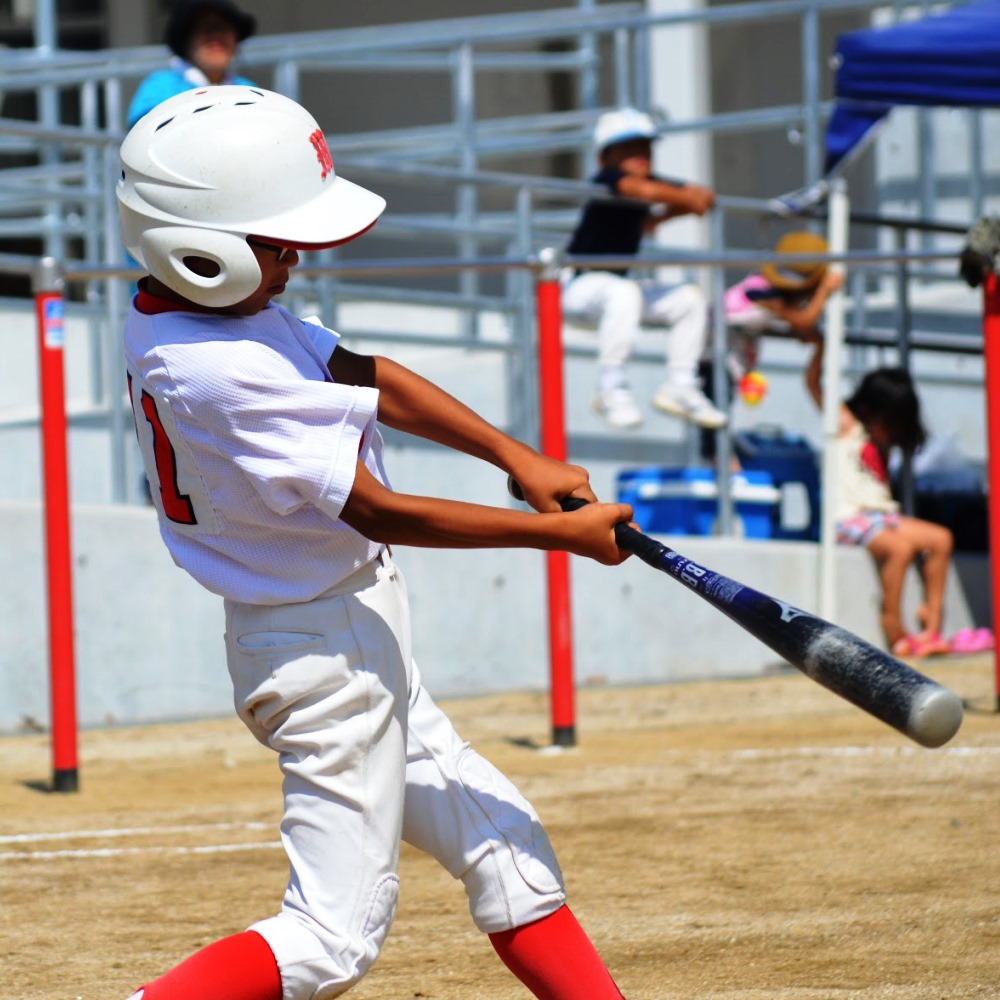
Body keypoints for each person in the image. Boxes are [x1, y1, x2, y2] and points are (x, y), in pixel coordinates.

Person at [117, 85, 632, 1000]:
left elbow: (368, 377)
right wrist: (555, 535)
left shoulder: (202, 312)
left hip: (349, 628)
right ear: (200, 251)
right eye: (280, 248)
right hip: (321, 654)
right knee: (328, 940)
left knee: (503, 846)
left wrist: (515, 454)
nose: (295, 266)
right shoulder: (216, 368)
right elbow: (378, 510)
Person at [563, 107, 724, 431]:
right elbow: (641, 190)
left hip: (617, 293)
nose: (639, 155)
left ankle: (681, 385)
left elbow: (700, 197)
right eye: (627, 149)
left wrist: (676, 208)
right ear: (604, 158)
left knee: (689, 299)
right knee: (624, 291)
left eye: (644, 147)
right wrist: (687, 199)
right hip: (579, 289)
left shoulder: (646, 183)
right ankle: (610, 388)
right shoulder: (608, 180)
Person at [805, 353, 954, 659]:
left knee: (941, 539)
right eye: (890, 423)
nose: (892, 432)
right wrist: (821, 346)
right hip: (849, 516)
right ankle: (892, 623)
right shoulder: (846, 424)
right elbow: (813, 382)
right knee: (899, 550)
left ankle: (931, 626)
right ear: (869, 409)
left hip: (881, 515)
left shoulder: (878, 439)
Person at [698, 230, 844, 462]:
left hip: (728, 355)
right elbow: (803, 320)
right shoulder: (764, 292)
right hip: (712, 354)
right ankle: (719, 460)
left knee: (721, 405)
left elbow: (800, 324)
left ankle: (722, 458)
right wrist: (824, 292)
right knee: (716, 408)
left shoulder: (774, 294)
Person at [126, 0, 257, 129]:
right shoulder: (160, 86)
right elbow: (143, 134)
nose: (216, 37)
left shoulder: (248, 89)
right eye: (206, 28)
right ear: (186, 40)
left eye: (224, 28)